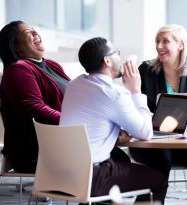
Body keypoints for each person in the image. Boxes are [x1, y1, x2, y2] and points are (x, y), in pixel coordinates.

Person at [59, 37, 167, 203]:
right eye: (117, 53)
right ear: (107, 60)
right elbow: (145, 132)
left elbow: (95, 119)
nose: (120, 57)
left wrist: (116, 132)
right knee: (158, 180)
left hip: (62, 173)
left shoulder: (74, 85)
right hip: (92, 178)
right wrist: (136, 90)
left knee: (120, 160)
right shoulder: (114, 94)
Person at [129, 24, 187, 198]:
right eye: (157, 41)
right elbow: (134, 108)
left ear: (180, 45)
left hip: (186, 141)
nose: (159, 46)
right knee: (161, 158)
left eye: (165, 41)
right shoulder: (146, 70)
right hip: (152, 142)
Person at [0, 20, 70, 173]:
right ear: (16, 47)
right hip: (37, 150)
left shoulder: (52, 65)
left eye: (34, 30)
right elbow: (35, 108)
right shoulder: (18, 69)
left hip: (63, 140)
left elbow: (76, 95)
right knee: (112, 160)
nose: (36, 33)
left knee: (114, 156)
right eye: (28, 33)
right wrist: (75, 123)